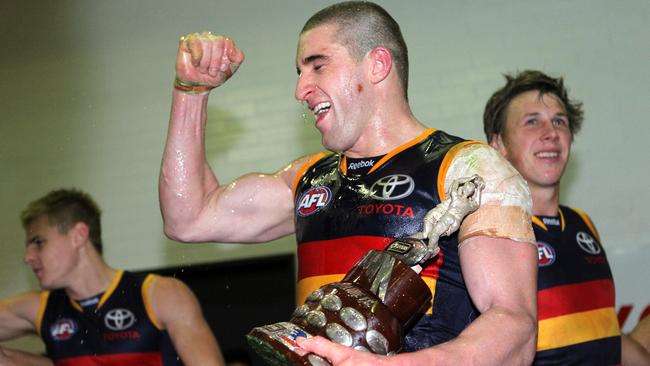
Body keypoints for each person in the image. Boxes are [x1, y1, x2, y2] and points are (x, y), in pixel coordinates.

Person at [160, 2, 538, 364]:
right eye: (300, 73)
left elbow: (515, 329)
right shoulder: (308, 180)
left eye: (317, 66)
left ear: (376, 65)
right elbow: (188, 217)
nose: (300, 90)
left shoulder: (467, 168)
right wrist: (191, 91)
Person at [483, 70, 650, 365]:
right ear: (499, 146)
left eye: (559, 121)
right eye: (532, 121)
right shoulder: (488, 234)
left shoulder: (582, 224)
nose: (551, 133)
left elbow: (604, 334)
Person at [0, 189, 225, 366]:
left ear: (79, 235)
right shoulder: (39, 308)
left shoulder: (159, 295)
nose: (28, 257)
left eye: (38, 243)